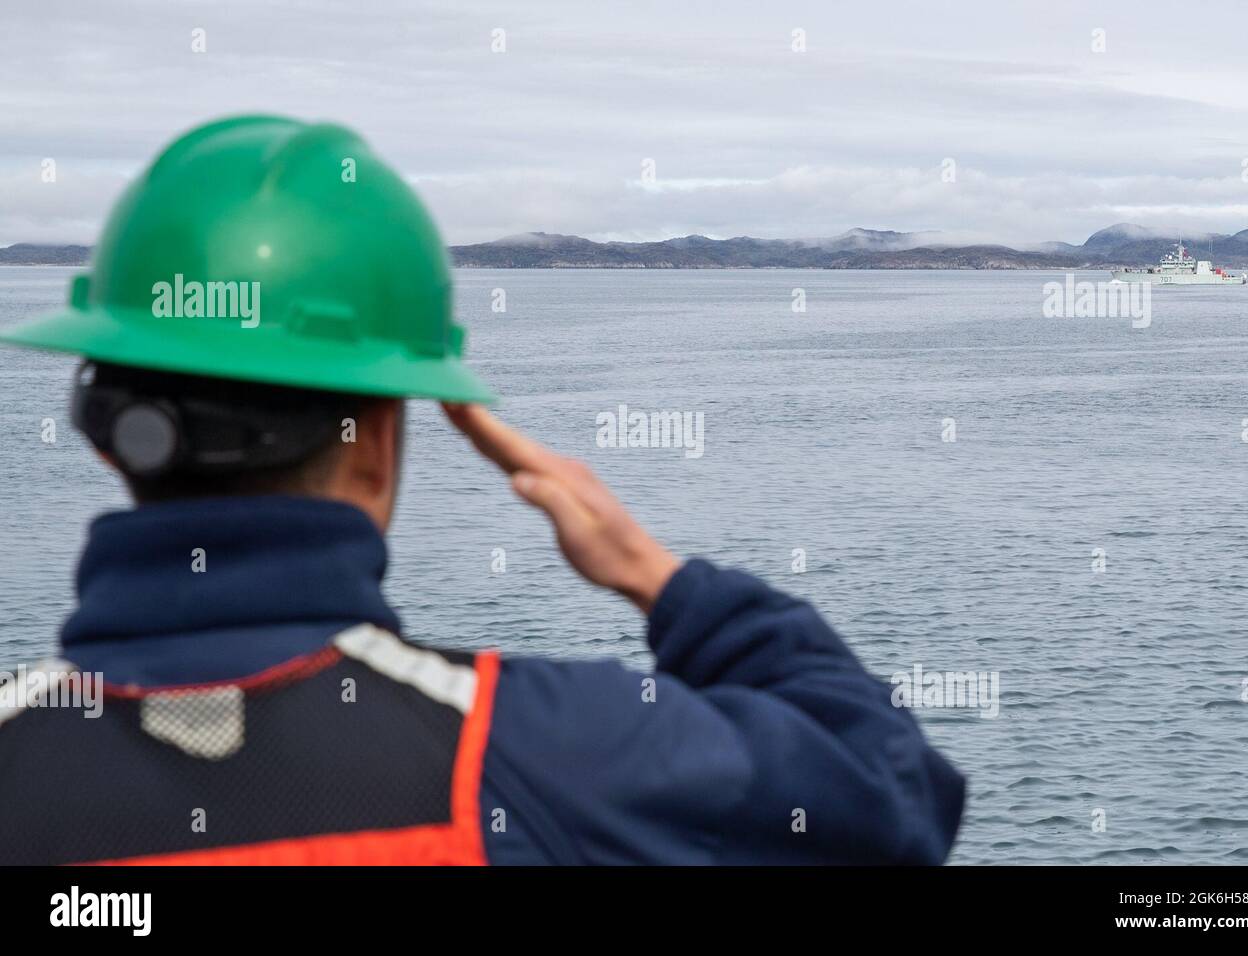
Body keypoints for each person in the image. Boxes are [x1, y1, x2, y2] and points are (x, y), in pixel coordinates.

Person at [0, 116, 964, 865]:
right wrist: (657, 577)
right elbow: (891, 793)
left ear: (110, 442)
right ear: (378, 440)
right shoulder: (537, 756)